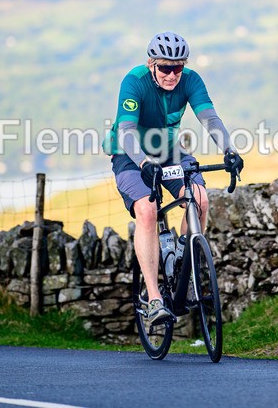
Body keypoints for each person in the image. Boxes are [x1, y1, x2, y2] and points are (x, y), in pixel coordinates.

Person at [104, 31, 244, 323]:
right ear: (151, 64)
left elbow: (210, 119)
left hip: (169, 151)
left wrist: (229, 150)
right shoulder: (134, 81)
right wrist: (144, 163)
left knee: (200, 199)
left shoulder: (190, 80)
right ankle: (155, 299)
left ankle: (182, 260)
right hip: (130, 155)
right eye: (165, 68)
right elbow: (127, 131)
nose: (171, 75)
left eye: (177, 67)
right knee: (147, 210)